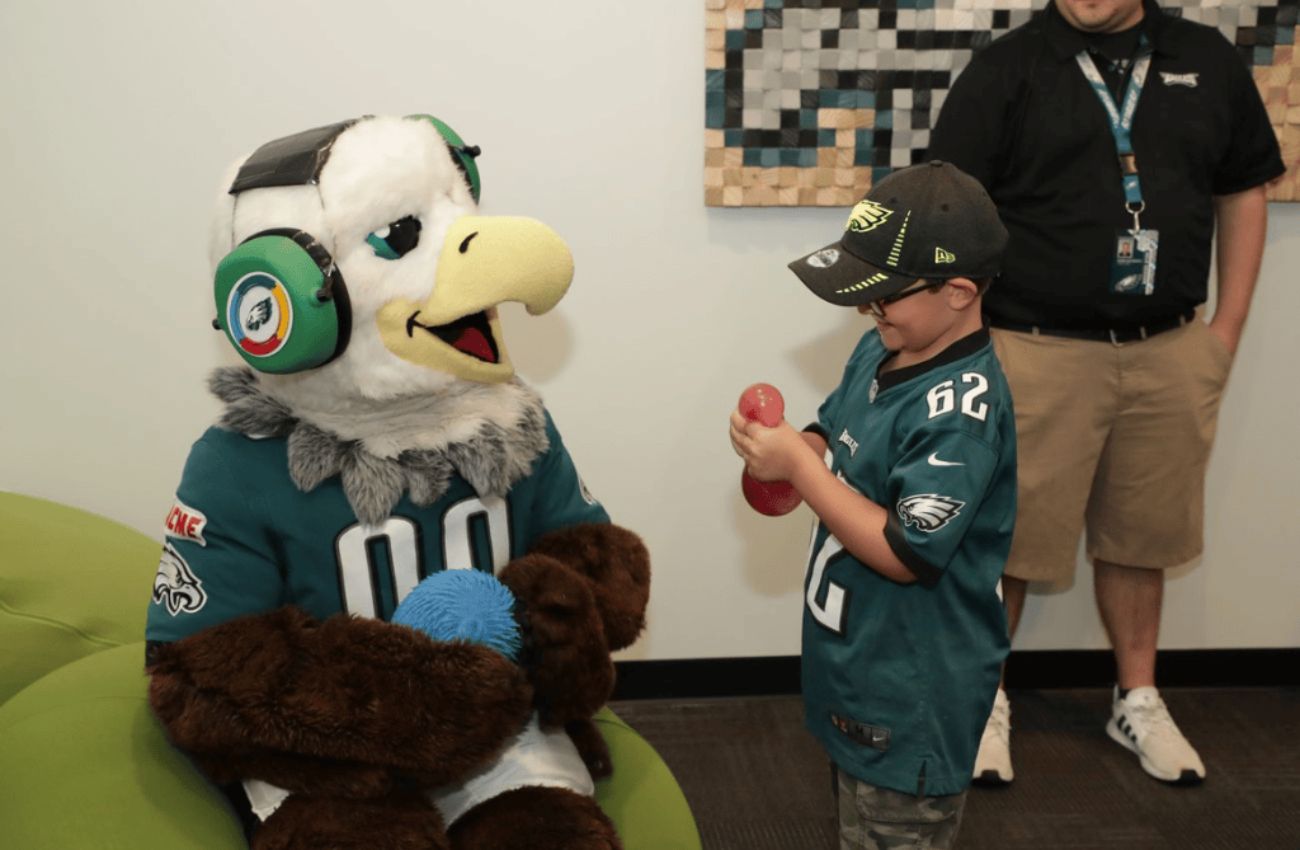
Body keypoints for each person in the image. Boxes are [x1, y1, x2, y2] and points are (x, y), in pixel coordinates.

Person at [928, 0, 1285, 786]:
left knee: (1143, 537)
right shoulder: (1006, 69)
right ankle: (984, 701)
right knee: (1008, 542)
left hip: (1169, 353)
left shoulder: (1208, 60)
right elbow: (946, 209)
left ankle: (1137, 698)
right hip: (1035, 350)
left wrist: (1224, 331)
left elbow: (1246, 189)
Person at [730, 161, 1016, 849]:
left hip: (913, 691)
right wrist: (787, 451)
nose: (869, 309)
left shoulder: (960, 414)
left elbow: (902, 552)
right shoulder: (879, 349)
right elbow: (831, 435)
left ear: (958, 292)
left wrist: (800, 466)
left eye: (885, 295)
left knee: (893, 831)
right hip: (859, 668)